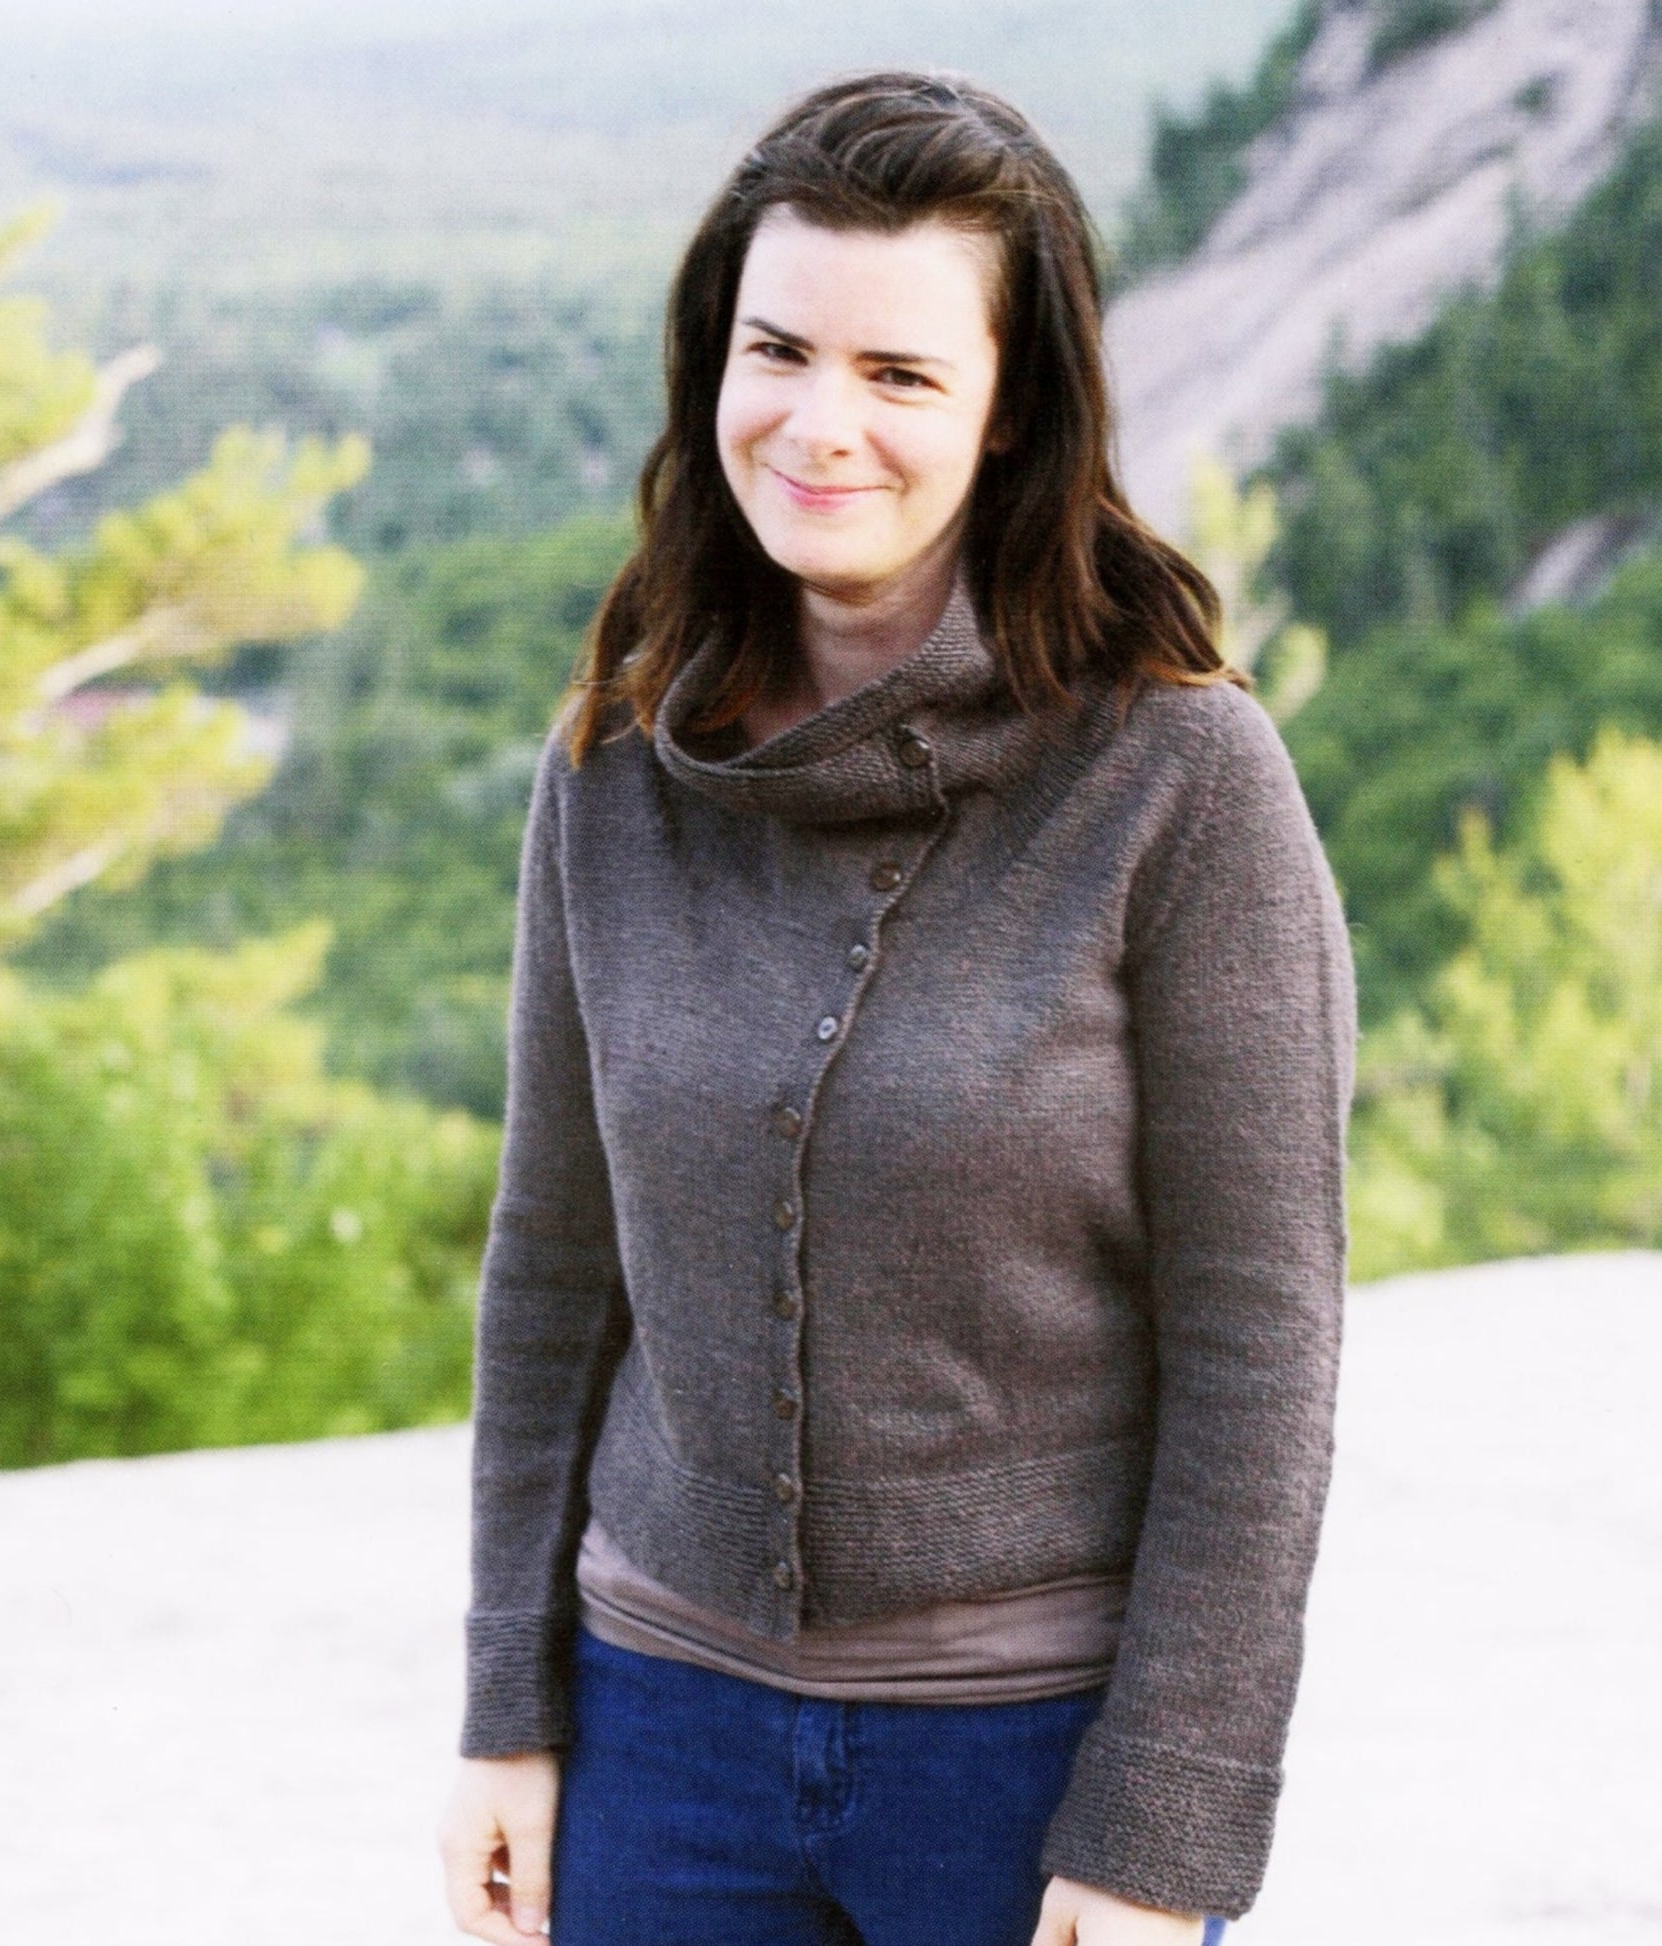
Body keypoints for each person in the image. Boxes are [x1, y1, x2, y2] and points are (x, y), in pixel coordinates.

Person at [437, 70, 1356, 1946]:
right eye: (777, 348)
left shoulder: (1180, 780)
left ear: (1013, 415)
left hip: (1020, 1767)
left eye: (903, 373)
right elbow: (551, 1266)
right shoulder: (611, 763)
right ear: (713, 360)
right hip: (656, 1743)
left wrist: (1160, 1822)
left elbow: (1260, 1349)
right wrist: (505, 1710)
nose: (818, 422)